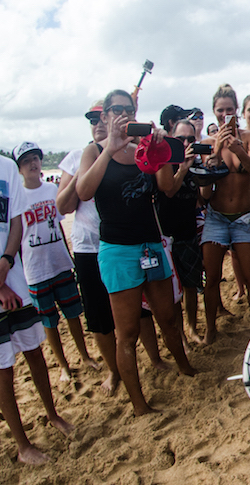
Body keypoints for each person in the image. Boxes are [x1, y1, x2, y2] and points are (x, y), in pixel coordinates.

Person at [75, 90, 197, 415]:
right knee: (126, 334)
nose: (124, 114)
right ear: (104, 116)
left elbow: (167, 188)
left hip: (151, 245)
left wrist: (159, 150)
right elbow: (83, 192)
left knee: (168, 318)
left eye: (129, 109)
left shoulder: (141, 149)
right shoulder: (94, 151)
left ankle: (186, 368)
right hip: (117, 250)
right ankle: (140, 405)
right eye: (117, 109)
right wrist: (109, 149)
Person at [0, 151, 74, 465]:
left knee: (34, 351)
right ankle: (22, 444)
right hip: (5, 285)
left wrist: (5, 264)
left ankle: (53, 414)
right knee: (4, 369)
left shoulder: (5, 167)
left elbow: (16, 221)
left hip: (14, 275)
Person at [11, 142, 96, 380]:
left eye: (35, 158)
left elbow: (60, 219)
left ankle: (84, 355)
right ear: (19, 168)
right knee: (49, 321)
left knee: (73, 314)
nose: (32, 164)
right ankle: (63, 365)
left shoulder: (52, 190)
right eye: (26, 161)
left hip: (60, 263)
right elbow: (16, 236)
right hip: (35, 270)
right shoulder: (18, 197)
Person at [198, 85, 250, 344]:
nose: (225, 114)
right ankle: (210, 328)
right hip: (216, 215)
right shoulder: (207, 142)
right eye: (220, 110)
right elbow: (205, 188)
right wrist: (215, 152)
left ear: (236, 111)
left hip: (244, 217)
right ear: (213, 113)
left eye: (229, 110)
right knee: (212, 277)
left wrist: (237, 150)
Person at [155, 113, 206, 343]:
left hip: (188, 232)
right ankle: (180, 336)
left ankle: (192, 328)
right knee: (172, 293)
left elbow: (204, 199)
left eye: (190, 139)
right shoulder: (164, 163)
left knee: (191, 285)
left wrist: (207, 170)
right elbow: (169, 190)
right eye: (180, 139)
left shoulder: (196, 164)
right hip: (166, 235)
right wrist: (183, 168)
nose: (185, 144)